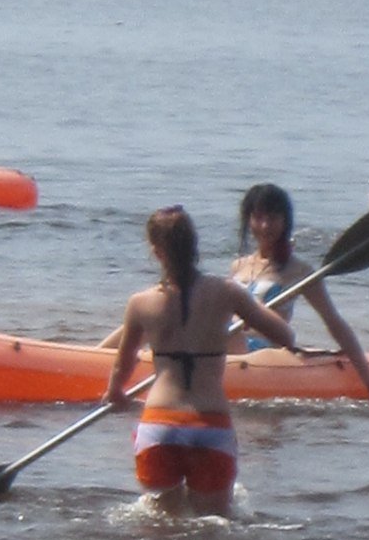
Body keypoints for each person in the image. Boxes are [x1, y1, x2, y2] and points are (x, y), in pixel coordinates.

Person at [105, 205, 299, 513]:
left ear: (156, 252)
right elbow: (285, 337)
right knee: (213, 526)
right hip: (211, 423)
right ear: (195, 246)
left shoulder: (140, 303)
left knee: (162, 526)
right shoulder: (226, 292)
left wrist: (114, 393)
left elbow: (122, 364)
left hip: (160, 425)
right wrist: (247, 317)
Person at [231, 184, 369, 401]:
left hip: (265, 352)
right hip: (229, 344)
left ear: (284, 221)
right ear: (248, 219)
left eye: (272, 218)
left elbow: (334, 322)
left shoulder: (299, 271)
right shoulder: (238, 266)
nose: (265, 226)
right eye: (258, 218)